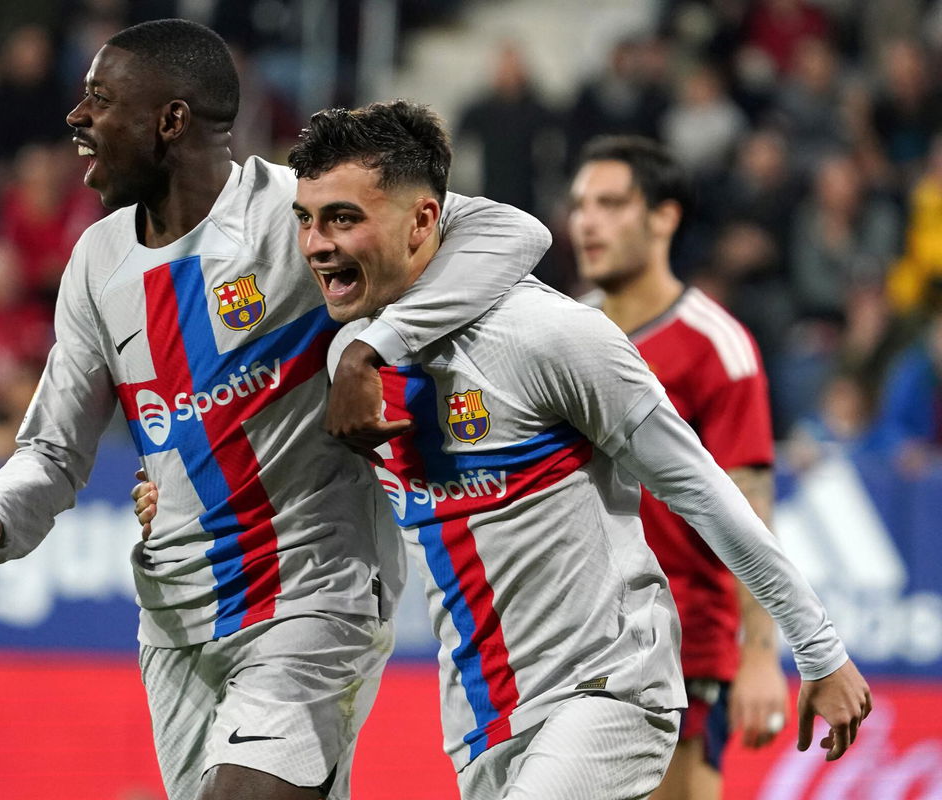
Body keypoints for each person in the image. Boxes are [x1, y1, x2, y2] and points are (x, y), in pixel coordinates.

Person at [0, 18, 548, 800]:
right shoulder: (98, 261)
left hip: (312, 595)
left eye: (99, 99)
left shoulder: (295, 214)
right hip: (176, 624)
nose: (76, 119)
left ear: (170, 120)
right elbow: (54, 451)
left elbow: (509, 231)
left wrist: (372, 347)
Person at [283, 99, 870, 799]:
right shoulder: (354, 359)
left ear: (421, 221)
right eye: (306, 221)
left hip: (608, 689)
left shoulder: (552, 335)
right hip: (482, 715)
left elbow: (707, 492)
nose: (316, 244)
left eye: (344, 218)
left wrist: (819, 651)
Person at [568, 134, 788, 800]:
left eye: (611, 203)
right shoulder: (564, 331)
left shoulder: (715, 347)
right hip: (570, 640)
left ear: (664, 217)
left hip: (679, 648)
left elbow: (749, 503)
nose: (587, 221)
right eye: (580, 204)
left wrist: (758, 653)